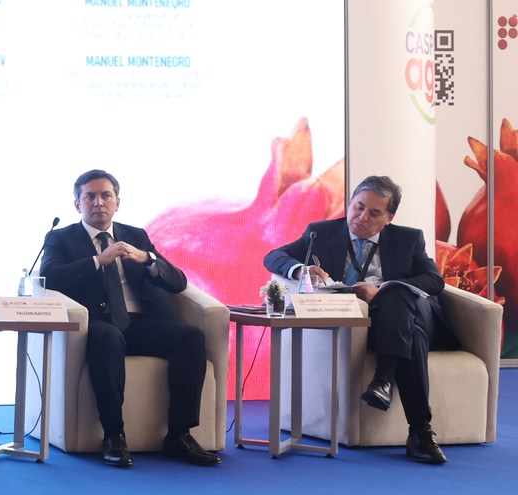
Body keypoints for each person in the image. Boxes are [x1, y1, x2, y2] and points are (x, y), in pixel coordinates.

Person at [264, 174, 453, 465]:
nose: (362, 217)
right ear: (350, 203)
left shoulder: (408, 239)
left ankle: (384, 379)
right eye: (359, 207)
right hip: (369, 329)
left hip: (412, 313)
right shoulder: (321, 233)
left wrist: (382, 290)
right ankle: (420, 432)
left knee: (396, 295)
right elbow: (274, 256)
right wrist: (301, 270)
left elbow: (434, 281)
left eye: (374, 213)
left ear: (389, 218)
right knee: (412, 335)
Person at [39, 169, 220, 467]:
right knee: (108, 338)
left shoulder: (136, 236)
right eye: (90, 196)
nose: (98, 202)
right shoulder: (61, 238)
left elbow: (177, 282)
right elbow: (49, 277)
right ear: (77, 204)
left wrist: (147, 259)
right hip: (95, 323)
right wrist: (99, 260)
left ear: (117, 202)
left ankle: (179, 435)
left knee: (190, 337)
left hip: (138, 323)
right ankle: (114, 435)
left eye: (106, 195)